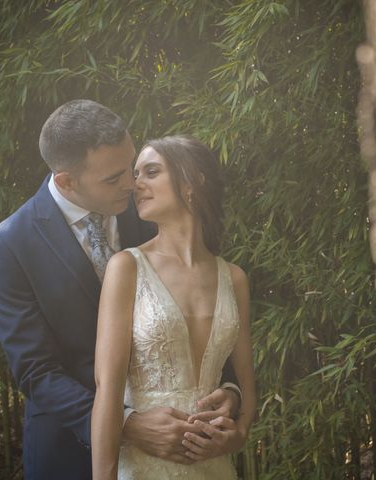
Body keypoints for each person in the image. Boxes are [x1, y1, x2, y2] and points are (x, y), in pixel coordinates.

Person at [0, 101, 242, 480]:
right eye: (114, 177)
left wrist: (230, 391)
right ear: (67, 181)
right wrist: (128, 424)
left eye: (132, 166)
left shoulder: (150, 208)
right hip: (69, 449)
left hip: (184, 446)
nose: (132, 183)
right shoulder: (11, 244)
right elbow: (36, 371)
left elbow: (201, 307)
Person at [91, 135, 256, 479]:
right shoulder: (127, 268)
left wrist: (237, 436)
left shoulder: (234, 278)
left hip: (215, 467)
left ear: (192, 181)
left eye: (151, 172)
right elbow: (107, 391)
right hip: (144, 465)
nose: (136, 184)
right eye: (135, 175)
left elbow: (246, 384)